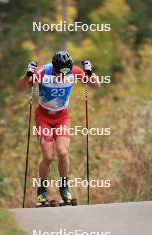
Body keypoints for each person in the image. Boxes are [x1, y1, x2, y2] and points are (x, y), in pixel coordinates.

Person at [17, 51, 100, 206]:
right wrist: (27, 74)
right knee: (48, 156)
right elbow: (20, 87)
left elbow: (96, 85)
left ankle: (64, 188)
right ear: (53, 67)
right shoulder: (42, 71)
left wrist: (89, 73)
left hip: (62, 117)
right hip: (43, 117)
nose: (62, 75)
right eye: (59, 72)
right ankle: (42, 192)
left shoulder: (74, 71)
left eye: (65, 72)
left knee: (63, 152)